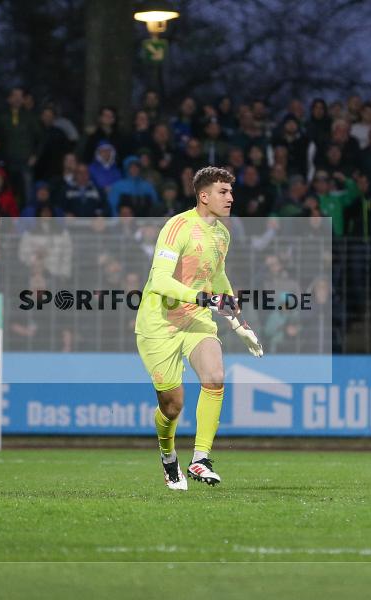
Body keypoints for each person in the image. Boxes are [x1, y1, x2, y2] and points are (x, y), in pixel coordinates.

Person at [134, 166, 263, 491]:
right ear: (204, 196)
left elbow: (218, 279)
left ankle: (200, 459)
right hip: (159, 323)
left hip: (195, 320)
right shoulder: (177, 227)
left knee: (215, 376)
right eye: (223, 192)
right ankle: (168, 456)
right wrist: (205, 298)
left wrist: (238, 324)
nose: (231, 198)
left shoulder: (222, 234)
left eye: (231, 192)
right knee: (172, 404)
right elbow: (161, 281)